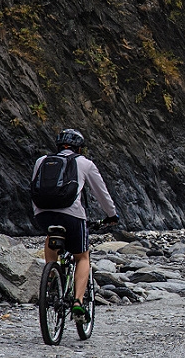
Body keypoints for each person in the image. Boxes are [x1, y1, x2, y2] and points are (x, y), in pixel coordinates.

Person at [32, 128, 119, 322]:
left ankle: (52, 278)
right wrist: (112, 215)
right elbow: (101, 193)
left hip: (42, 215)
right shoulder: (84, 163)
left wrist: (40, 213)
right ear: (79, 148)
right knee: (82, 257)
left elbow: (34, 189)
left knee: (50, 236)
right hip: (72, 216)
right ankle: (78, 302)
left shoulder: (42, 161)